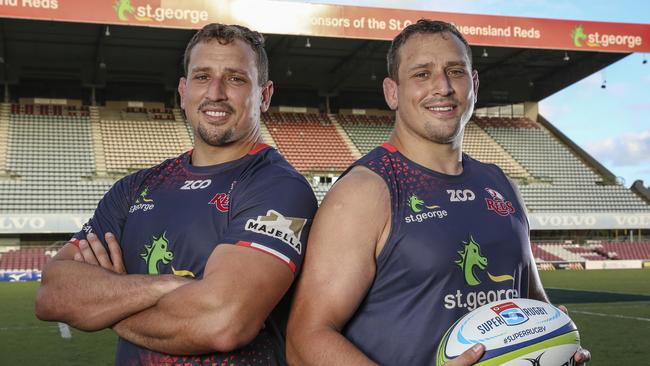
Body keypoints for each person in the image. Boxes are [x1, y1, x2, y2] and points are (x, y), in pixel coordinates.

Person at [286, 19, 590, 366]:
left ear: (473, 84)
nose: (443, 87)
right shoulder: (366, 191)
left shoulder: (501, 184)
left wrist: (554, 342)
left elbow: (532, 299)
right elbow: (305, 338)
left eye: (455, 71)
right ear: (392, 92)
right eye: (422, 74)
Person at [35, 23, 317, 365]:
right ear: (183, 91)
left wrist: (107, 301)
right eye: (202, 76)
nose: (215, 92)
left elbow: (222, 322)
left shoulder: (279, 187)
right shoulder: (134, 188)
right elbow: (52, 294)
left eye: (235, 78)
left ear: (264, 95)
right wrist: (160, 286)